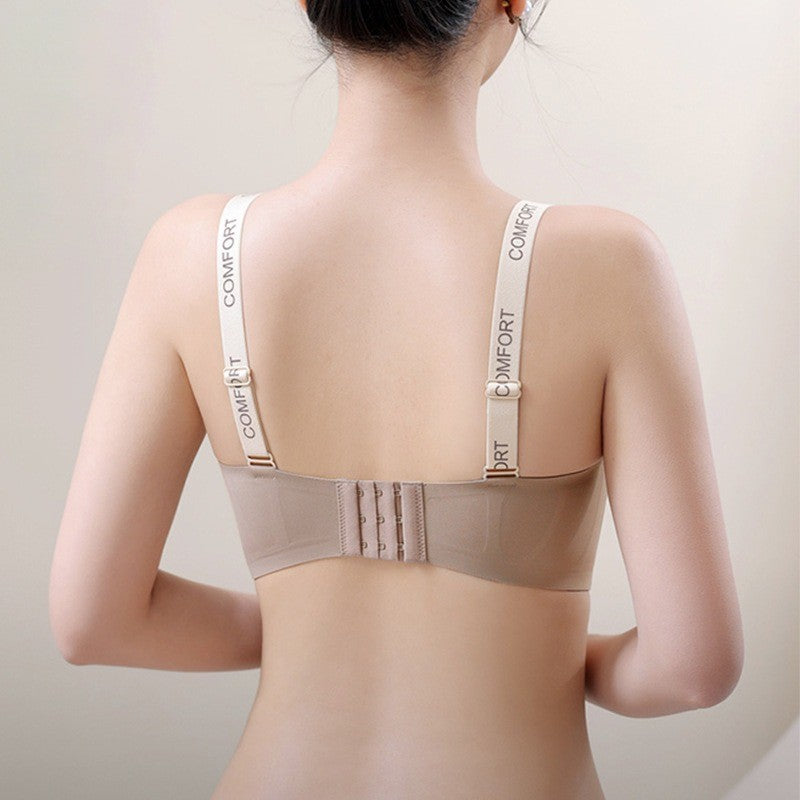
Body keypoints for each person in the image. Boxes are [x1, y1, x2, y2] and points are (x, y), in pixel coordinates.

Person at [48, 0, 744, 797]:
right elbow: (692, 668)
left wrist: (294, 629)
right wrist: (551, 659)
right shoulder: (608, 265)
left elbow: (92, 620)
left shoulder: (192, 255)